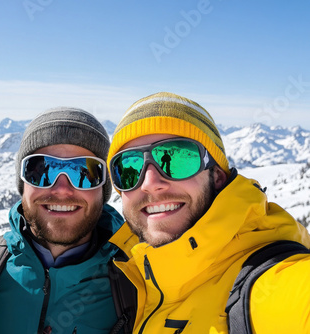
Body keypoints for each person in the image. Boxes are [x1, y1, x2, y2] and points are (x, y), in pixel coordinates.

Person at [106, 92, 310, 333]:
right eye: (129, 168)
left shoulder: (272, 285)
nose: (150, 182)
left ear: (217, 177)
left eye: (180, 156)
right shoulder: (128, 277)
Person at [0, 108, 134, 334]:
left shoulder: (137, 281)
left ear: (102, 190)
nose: (62, 189)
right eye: (42, 170)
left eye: (83, 172)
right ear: (22, 185)